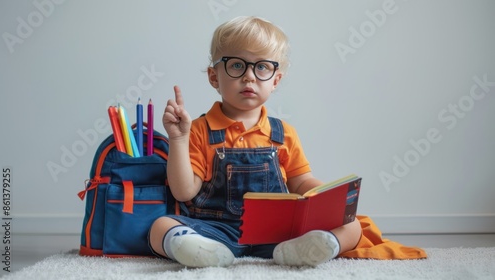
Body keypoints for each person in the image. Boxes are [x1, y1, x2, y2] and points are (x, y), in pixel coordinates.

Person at [148, 16, 362, 268]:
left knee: (352, 223)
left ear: (275, 80)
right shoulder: (197, 130)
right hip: (217, 231)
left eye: (262, 67)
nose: (249, 76)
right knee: (160, 226)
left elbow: (301, 181)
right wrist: (178, 138)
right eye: (237, 65)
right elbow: (184, 192)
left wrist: (327, 197)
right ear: (214, 77)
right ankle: (202, 251)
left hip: (279, 235)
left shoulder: (283, 133)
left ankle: (304, 250)